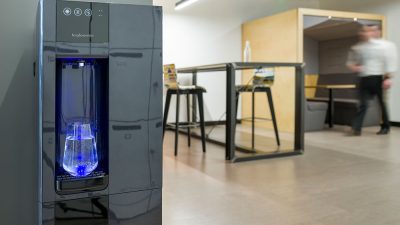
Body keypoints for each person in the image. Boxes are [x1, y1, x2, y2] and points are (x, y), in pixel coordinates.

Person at [347, 25, 398, 136]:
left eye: (374, 30)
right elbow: (352, 62)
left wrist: (388, 78)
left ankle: (385, 127)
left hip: (379, 78)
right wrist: (354, 67)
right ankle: (356, 128)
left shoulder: (386, 45)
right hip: (364, 78)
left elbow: (390, 62)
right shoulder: (359, 47)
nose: (370, 32)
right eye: (368, 30)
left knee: (382, 104)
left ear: (379, 31)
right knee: (363, 104)